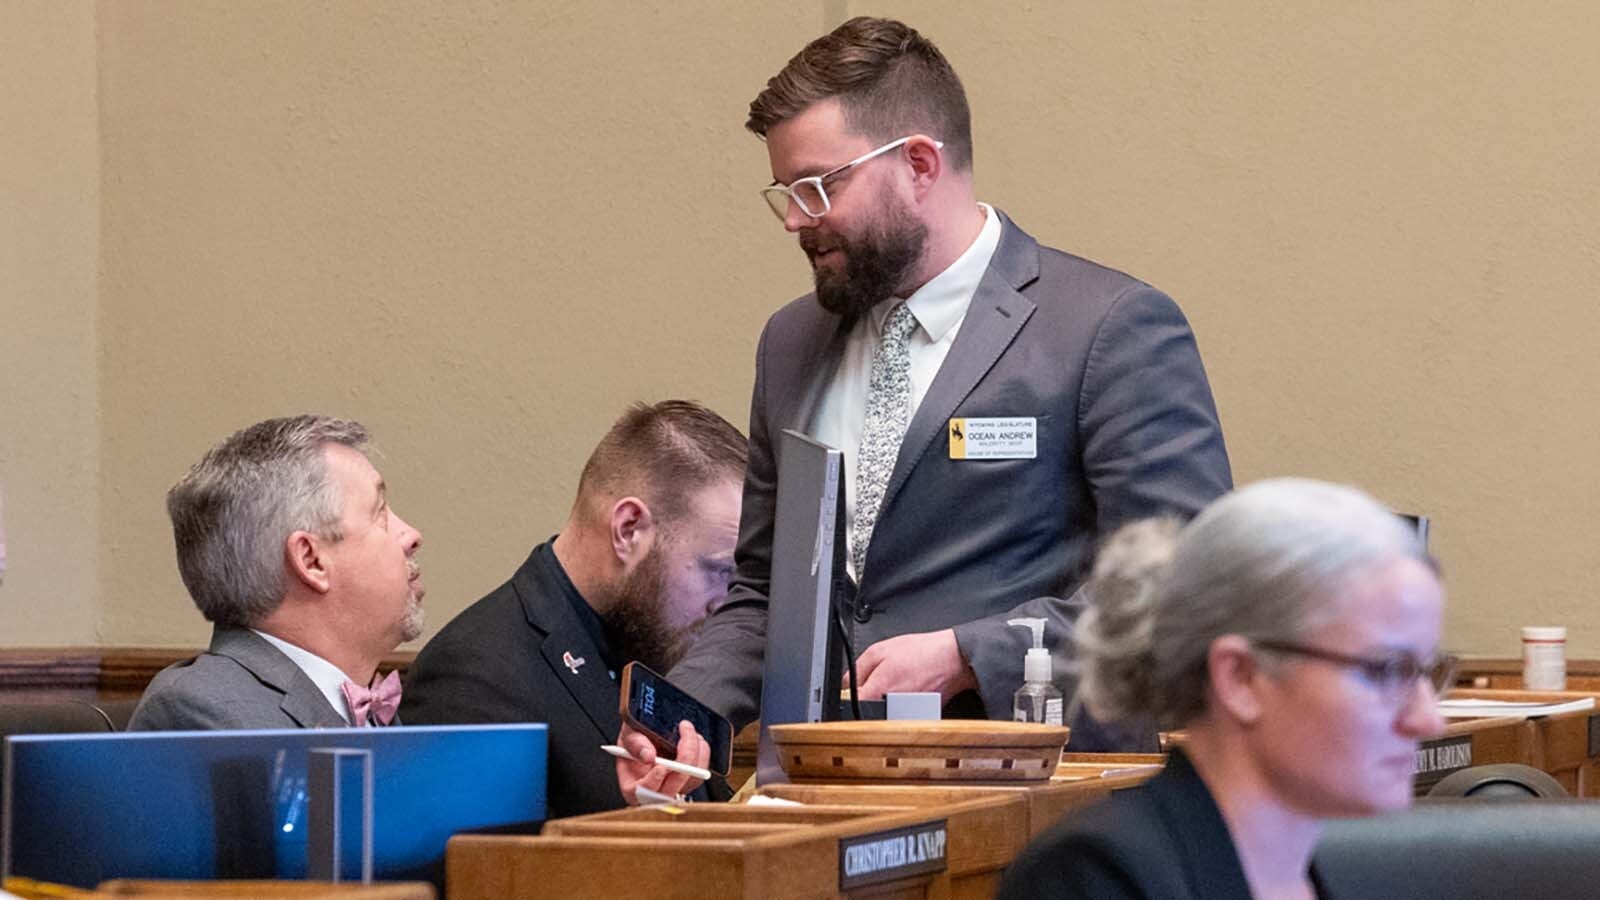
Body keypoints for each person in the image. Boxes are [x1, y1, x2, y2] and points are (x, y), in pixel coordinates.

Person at [661, 16, 1231, 735]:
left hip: (1034, 789)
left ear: (921, 165)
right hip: (834, 784)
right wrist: (685, 712)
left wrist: (969, 654)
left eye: (817, 187)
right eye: (786, 192)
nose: (796, 221)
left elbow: (1186, 588)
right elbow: (764, 591)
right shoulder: (789, 342)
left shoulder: (1105, 329)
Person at [998, 479, 1451, 900]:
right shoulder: (1094, 879)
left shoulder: (1330, 874)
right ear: (1240, 678)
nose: (1428, 719)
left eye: (1427, 673)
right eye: (1387, 671)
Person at [400, 401, 746, 819]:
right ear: (628, 529)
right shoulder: (472, 677)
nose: (726, 601)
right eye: (718, 571)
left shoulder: (656, 647)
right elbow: (494, 877)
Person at [129, 415, 425, 731]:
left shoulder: (368, 707)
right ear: (311, 561)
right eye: (379, 512)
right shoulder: (203, 709)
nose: (411, 535)